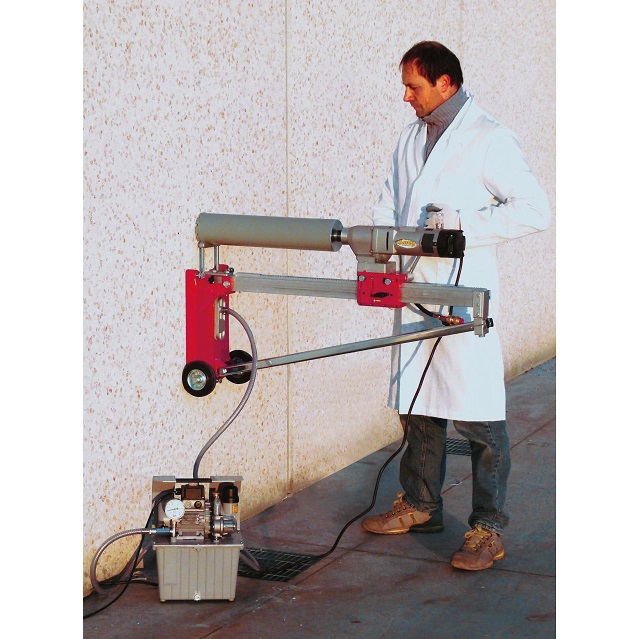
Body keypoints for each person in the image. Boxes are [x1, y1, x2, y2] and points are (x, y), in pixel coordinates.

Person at [361, 41, 551, 571]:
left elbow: (535, 211)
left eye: (413, 86)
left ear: (445, 83)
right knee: (418, 405)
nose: (406, 96)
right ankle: (421, 504)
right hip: (413, 288)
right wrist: (379, 249)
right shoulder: (411, 138)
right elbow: (389, 199)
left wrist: (461, 226)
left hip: (463, 296)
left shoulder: (490, 137)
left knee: (478, 417)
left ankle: (488, 528)